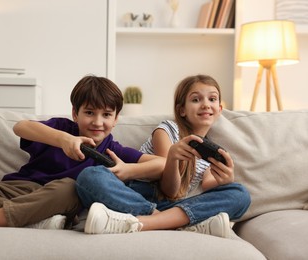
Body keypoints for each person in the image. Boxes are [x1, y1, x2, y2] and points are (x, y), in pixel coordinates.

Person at [0, 75, 165, 229]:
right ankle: (31, 218)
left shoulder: (113, 149)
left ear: (116, 119)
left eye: (106, 115)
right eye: (89, 112)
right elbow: (21, 127)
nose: (97, 122)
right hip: (15, 190)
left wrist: (129, 169)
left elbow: (161, 164)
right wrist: (64, 139)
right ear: (75, 113)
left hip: (55, 198)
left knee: (71, 187)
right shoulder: (60, 128)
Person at [76, 74, 251, 238]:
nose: (205, 104)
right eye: (196, 99)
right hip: (134, 193)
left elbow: (211, 187)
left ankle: (146, 223)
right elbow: (170, 189)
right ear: (181, 110)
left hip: (170, 207)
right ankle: (172, 223)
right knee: (90, 176)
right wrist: (173, 158)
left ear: (220, 109)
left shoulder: (210, 154)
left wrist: (227, 180)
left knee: (240, 194)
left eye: (212, 99)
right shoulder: (167, 130)